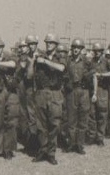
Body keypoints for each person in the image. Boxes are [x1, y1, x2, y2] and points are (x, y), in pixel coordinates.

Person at [31, 33, 66, 165]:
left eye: (51, 43)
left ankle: (51, 153)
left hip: (55, 93)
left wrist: (45, 62)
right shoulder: (39, 56)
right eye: (47, 42)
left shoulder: (61, 56)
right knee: (40, 124)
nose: (48, 45)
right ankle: (42, 150)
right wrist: (33, 61)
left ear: (56, 45)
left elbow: (61, 68)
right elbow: (31, 74)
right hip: (41, 92)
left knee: (54, 124)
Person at [64, 38, 94, 155]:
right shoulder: (68, 61)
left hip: (84, 91)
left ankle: (79, 145)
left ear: (82, 49)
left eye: (78, 48)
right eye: (74, 48)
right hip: (72, 91)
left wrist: (87, 76)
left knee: (83, 119)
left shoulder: (87, 61)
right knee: (71, 119)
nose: (76, 50)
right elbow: (64, 74)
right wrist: (68, 83)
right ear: (72, 49)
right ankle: (71, 144)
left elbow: (93, 72)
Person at [88, 42, 110, 146]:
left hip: (103, 89)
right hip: (91, 90)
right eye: (95, 51)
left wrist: (102, 75)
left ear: (102, 51)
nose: (97, 53)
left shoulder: (106, 62)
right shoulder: (90, 62)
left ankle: (100, 137)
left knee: (102, 114)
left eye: (99, 51)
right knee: (92, 114)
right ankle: (92, 136)